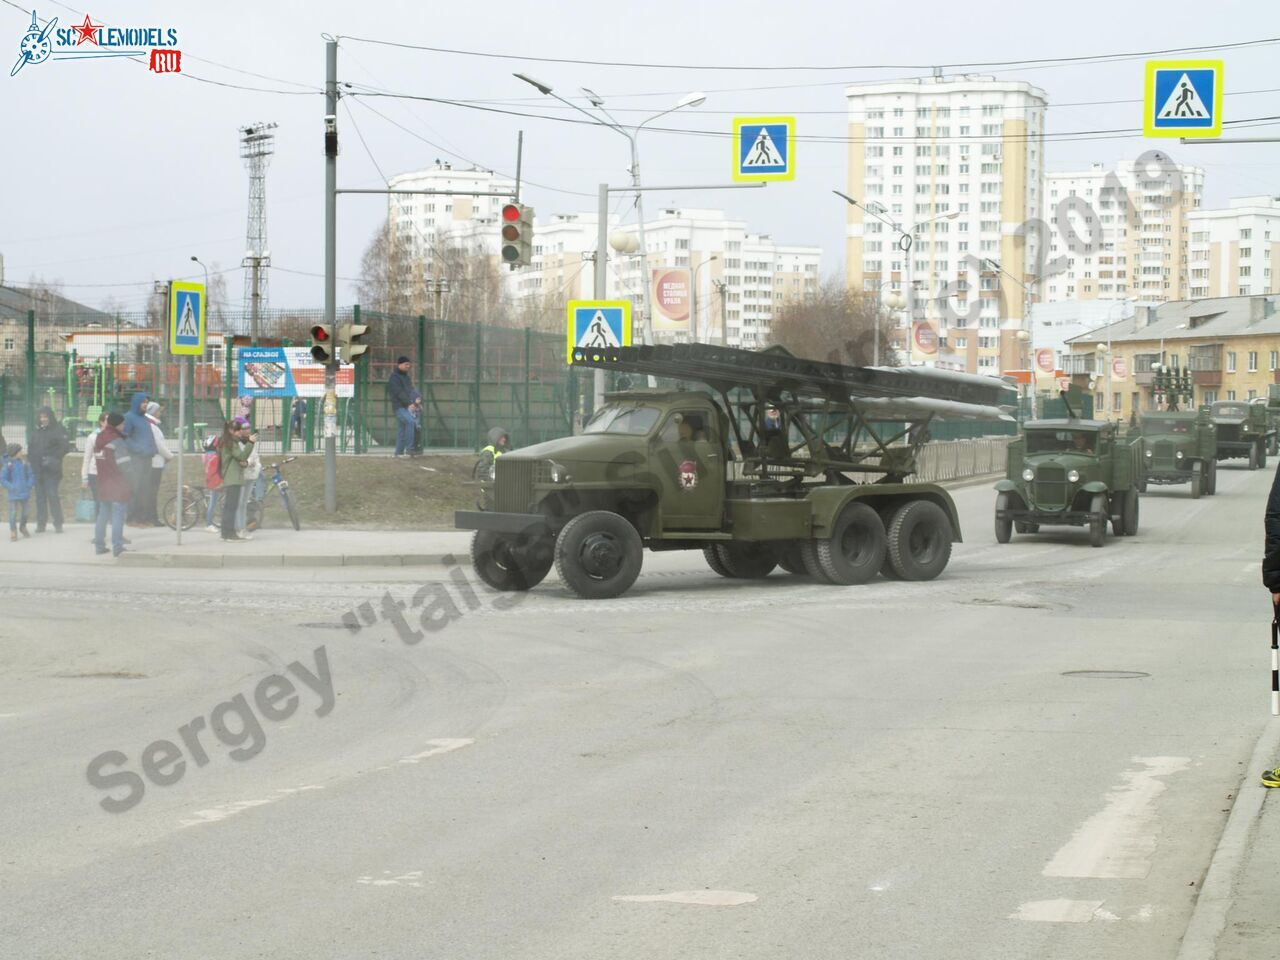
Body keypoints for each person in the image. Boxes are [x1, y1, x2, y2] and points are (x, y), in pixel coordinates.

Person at [93, 412, 132, 557]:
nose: (123, 426)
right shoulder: (117, 440)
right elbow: (125, 465)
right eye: (122, 424)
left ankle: (99, 546)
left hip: (103, 481)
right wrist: (131, 479)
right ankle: (117, 546)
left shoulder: (99, 437)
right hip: (117, 483)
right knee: (118, 515)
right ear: (117, 424)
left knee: (102, 514)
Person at [28, 405, 69, 533]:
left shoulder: (59, 430)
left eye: (45, 416)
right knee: (39, 498)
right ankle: (41, 524)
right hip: (38, 470)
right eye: (41, 417)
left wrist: (52, 458)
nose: (43, 419)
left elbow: (64, 447)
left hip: (52, 471)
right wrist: (33, 463)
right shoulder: (36, 432)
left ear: (50, 417)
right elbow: (31, 449)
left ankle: (58, 523)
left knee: (52, 495)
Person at [218, 417, 256, 543]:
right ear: (230, 431)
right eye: (237, 430)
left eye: (240, 430)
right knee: (231, 507)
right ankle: (229, 533)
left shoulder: (229, 441)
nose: (240, 432)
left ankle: (226, 532)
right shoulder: (231, 443)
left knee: (230, 506)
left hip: (232, 477)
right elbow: (242, 456)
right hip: (232, 477)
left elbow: (239, 459)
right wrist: (250, 443)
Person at [121, 391, 156, 526]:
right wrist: (138, 449)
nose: (145, 405)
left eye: (147, 402)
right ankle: (131, 518)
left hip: (147, 458)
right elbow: (125, 437)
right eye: (143, 402)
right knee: (135, 488)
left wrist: (152, 450)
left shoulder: (144, 419)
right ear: (136, 402)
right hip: (136, 460)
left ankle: (142, 518)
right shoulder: (129, 418)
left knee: (144, 489)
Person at [145, 401, 174, 527]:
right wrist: (169, 456)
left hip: (155, 462)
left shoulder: (151, 425)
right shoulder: (152, 427)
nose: (160, 413)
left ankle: (150, 516)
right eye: (158, 411)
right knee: (152, 493)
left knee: (150, 492)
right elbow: (159, 445)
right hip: (155, 463)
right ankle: (152, 517)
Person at [388, 356, 423, 457]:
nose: (409, 366)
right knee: (410, 422)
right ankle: (410, 449)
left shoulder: (406, 377)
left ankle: (398, 452)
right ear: (399, 364)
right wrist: (410, 403)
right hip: (399, 407)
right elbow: (399, 393)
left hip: (406, 407)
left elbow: (411, 390)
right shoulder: (394, 377)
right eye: (406, 364)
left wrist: (418, 402)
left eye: (409, 364)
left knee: (402, 429)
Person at [1, 443, 34, 541]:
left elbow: (31, 475)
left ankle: (22, 526)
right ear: (15, 453)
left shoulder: (24, 463)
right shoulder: (8, 465)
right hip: (13, 494)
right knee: (13, 513)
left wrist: (28, 485)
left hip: (24, 492)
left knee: (25, 513)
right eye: (20, 451)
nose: (22, 453)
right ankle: (13, 530)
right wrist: (12, 487)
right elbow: (3, 479)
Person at [235, 436, 263, 540]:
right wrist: (249, 462)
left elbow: (257, 460)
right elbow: (240, 460)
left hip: (251, 477)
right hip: (241, 477)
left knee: (243, 503)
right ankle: (239, 528)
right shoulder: (237, 445)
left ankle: (242, 528)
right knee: (239, 504)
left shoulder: (252, 446)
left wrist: (256, 467)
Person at [202, 434, 223, 534]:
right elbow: (215, 471)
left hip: (211, 481)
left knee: (213, 502)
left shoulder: (207, 455)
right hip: (215, 483)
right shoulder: (215, 457)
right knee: (213, 503)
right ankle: (209, 524)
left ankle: (210, 522)